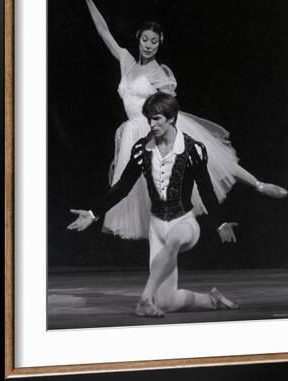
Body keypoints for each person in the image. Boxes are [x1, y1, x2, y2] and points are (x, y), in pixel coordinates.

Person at [68, 0, 287, 241]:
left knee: (212, 163)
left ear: (160, 43)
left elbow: (169, 106)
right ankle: (161, 255)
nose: (149, 45)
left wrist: (163, 131)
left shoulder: (160, 74)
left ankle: (258, 184)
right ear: (139, 39)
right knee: (133, 190)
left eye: (154, 41)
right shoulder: (126, 60)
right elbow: (104, 32)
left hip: (157, 126)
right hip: (132, 131)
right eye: (145, 39)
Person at [68, 93, 240, 317]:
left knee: (174, 239)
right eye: (149, 119)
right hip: (156, 226)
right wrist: (93, 213)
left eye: (157, 119)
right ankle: (211, 300)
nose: (152, 124)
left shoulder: (193, 150)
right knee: (167, 302)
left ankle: (144, 299)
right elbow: (122, 187)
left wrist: (221, 222)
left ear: (172, 118)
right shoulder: (142, 150)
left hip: (184, 223)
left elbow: (206, 190)